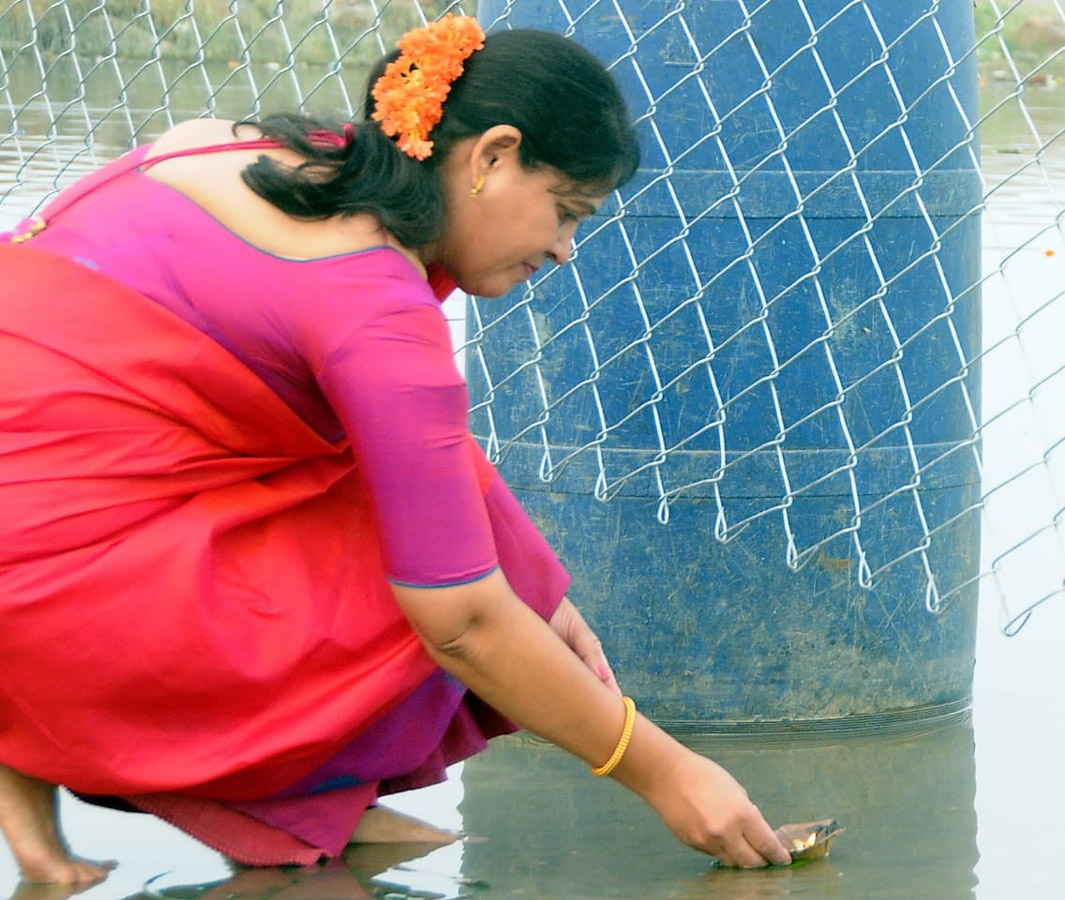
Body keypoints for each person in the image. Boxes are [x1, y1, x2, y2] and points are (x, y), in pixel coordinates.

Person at [0, 15, 793, 885]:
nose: (566, 250)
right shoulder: (369, 297)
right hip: (49, 582)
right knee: (442, 605)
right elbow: (462, 622)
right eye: (566, 212)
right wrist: (663, 770)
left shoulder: (264, 154)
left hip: (41, 516)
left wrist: (540, 587)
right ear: (491, 155)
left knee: (472, 559)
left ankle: (40, 731)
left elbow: (422, 444)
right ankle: (152, 755)